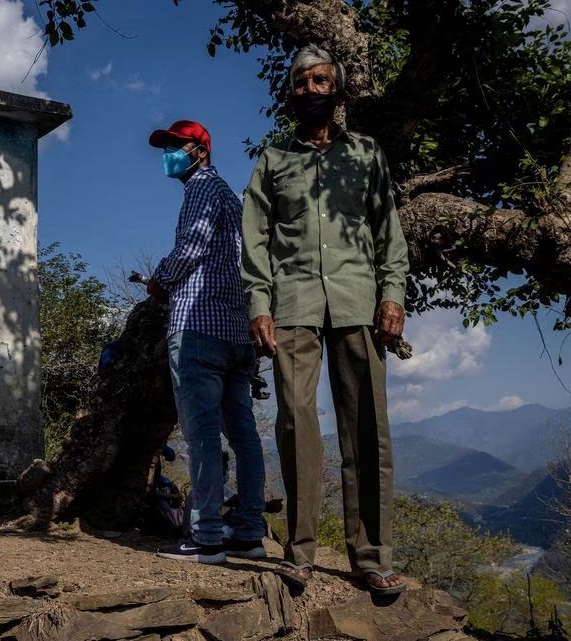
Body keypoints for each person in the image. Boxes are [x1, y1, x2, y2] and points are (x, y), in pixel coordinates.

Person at [241, 45, 410, 594]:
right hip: (292, 306)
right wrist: (259, 305)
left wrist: (392, 295)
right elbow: (255, 242)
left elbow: (388, 231)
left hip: (359, 303)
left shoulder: (366, 153)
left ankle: (372, 557)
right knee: (295, 422)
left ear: (336, 90)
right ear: (290, 93)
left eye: (320, 81)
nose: (310, 90)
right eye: (301, 82)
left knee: (367, 428)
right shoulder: (273, 161)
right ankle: (300, 552)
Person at [147, 120, 268, 565]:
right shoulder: (232, 198)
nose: (169, 154)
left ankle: (206, 536)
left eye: (176, 146)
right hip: (236, 331)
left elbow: (192, 245)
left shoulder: (200, 188)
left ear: (200, 151)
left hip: (198, 326)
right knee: (244, 435)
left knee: (201, 435)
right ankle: (250, 532)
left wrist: (160, 280)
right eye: (167, 147)